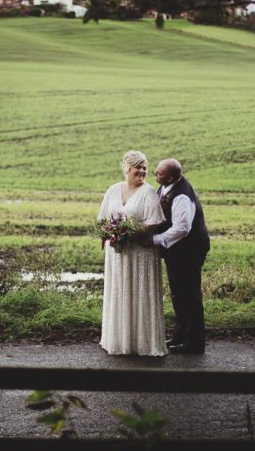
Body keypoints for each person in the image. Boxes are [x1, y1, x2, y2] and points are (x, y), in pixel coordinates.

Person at [97, 151, 168, 356]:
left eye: (145, 167)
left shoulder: (149, 192)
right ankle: (119, 341)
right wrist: (109, 233)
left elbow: (155, 222)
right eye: (138, 167)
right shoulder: (113, 190)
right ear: (127, 168)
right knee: (119, 292)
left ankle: (143, 343)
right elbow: (102, 219)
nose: (142, 171)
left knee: (140, 294)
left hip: (140, 254)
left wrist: (129, 233)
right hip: (117, 254)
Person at [150, 158, 210, 354]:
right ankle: (181, 336)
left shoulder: (182, 196)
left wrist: (155, 240)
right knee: (178, 294)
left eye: (159, 173)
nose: (155, 174)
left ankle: (195, 343)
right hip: (178, 251)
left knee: (189, 295)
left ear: (170, 178)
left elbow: (182, 228)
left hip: (190, 250)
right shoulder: (166, 187)